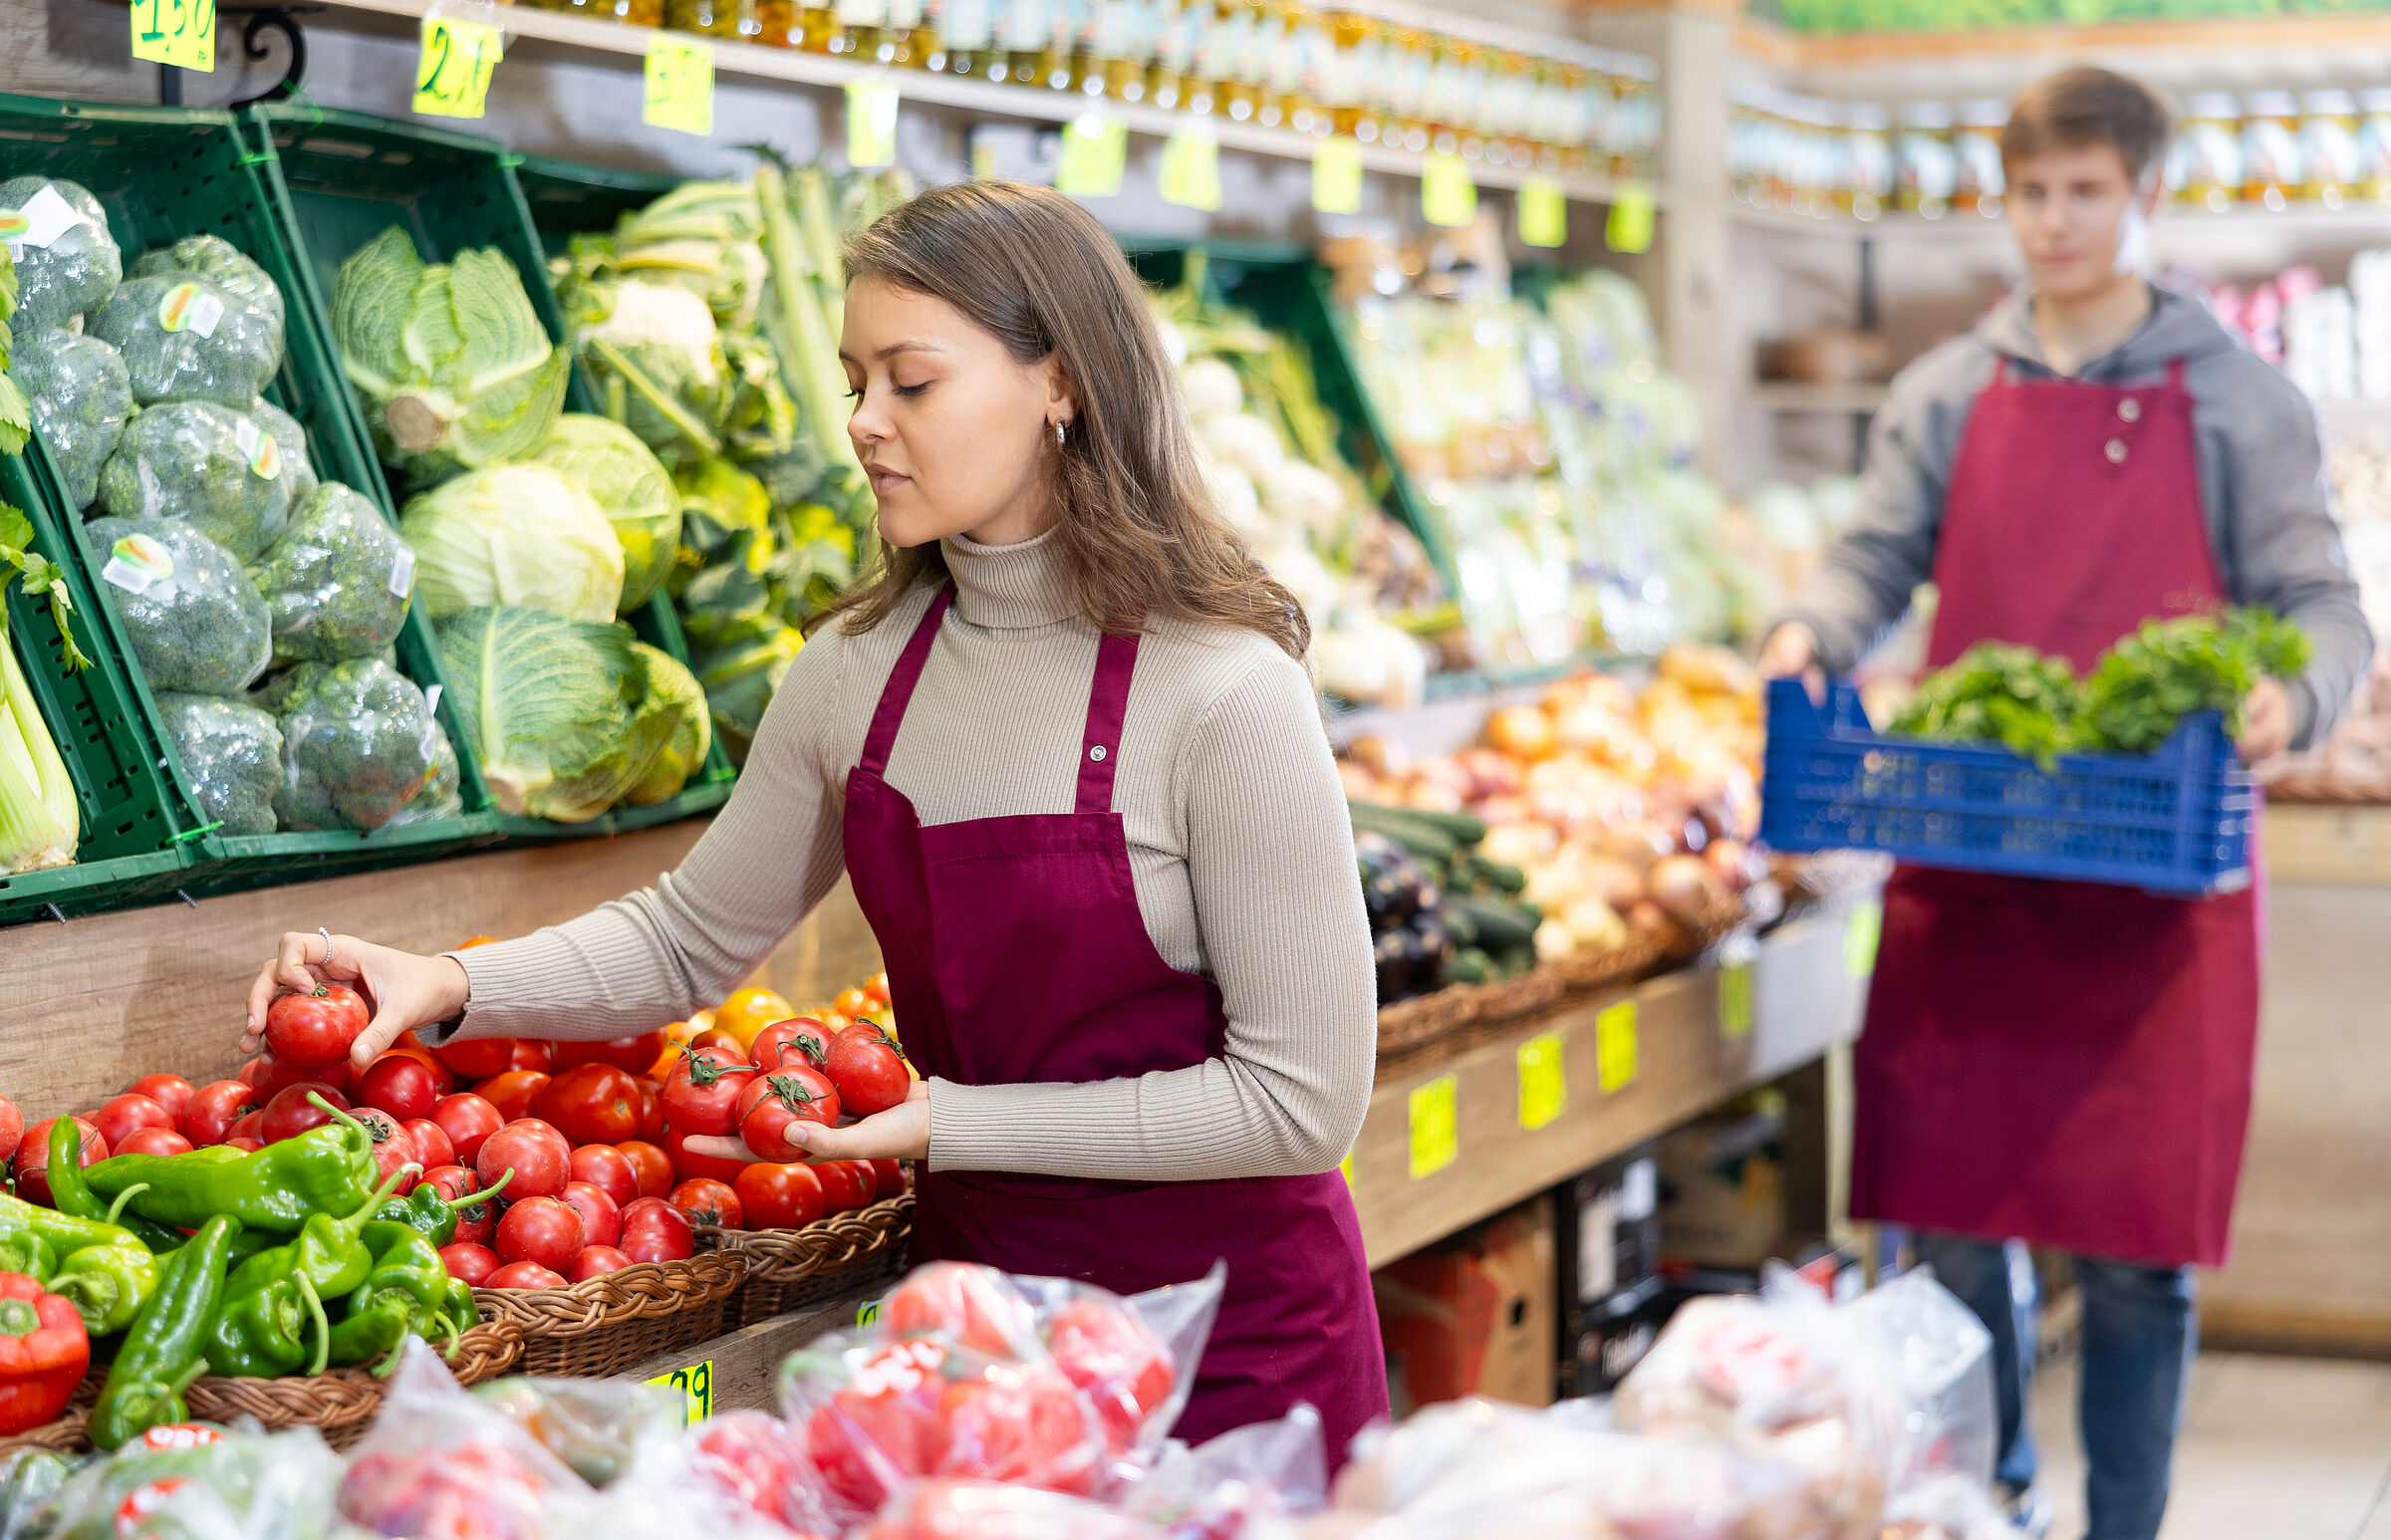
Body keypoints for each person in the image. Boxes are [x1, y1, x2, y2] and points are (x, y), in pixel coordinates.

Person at [240, 182, 1389, 1454]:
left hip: (1234, 1348)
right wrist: (445, 980)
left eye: (912, 383)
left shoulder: (1223, 687)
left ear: (1060, 382)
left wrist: (954, 1123)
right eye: (855, 382)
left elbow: (1303, 1100)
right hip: (978, 1338)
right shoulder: (859, 670)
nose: (863, 424)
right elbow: (686, 940)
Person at [1761, 67, 2370, 1540]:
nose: (2056, 222)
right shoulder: (1949, 390)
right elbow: (1873, 558)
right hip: (1973, 864)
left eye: (2087, 192)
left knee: (2141, 1248)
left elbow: (2324, 604)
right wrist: (1809, 632)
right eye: (2033, 193)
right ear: (2005, 194)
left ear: (2145, 196)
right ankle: (1993, 1499)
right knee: (1952, 1216)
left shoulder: (2238, 396)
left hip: (2160, 882)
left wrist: (2299, 698)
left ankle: (2127, 1525)